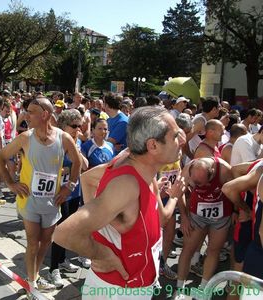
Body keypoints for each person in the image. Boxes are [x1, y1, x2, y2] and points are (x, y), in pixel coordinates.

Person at [54, 106, 186, 300]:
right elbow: (64, 233)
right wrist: (101, 254)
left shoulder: (138, 166)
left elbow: (88, 179)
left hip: (135, 286)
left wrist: (103, 226)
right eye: (175, 136)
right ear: (153, 146)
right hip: (119, 291)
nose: (182, 140)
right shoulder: (127, 185)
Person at [0, 97, 81, 297]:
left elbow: (77, 162)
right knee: (33, 242)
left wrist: (69, 187)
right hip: (29, 199)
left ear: (45, 115)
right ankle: (32, 283)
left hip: (52, 201)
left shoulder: (63, 138)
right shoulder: (25, 137)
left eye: (31, 112)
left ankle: (33, 276)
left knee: (45, 242)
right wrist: (10, 183)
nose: (26, 115)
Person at [175, 157, 239, 297]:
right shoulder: (188, 169)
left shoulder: (223, 169)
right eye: (195, 184)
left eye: (201, 183)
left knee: (213, 250)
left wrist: (235, 210)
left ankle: (203, 288)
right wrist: (184, 218)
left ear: (211, 174)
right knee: (187, 249)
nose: (198, 187)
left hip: (221, 215)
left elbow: (235, 189)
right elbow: (178, 193)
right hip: (197, 214)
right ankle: (179, 288)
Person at [48, 109, 89, 288]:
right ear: (63, 126)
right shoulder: (56, 142)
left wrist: (77, 151)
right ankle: (53, 269)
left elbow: (85, 166)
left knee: (69, 228)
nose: (77, 130)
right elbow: (49, 169)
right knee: (60, 229)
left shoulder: (76, 142)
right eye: (74, 126)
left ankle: (62, 259)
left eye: (80, 126)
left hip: (75, 191)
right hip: (60, 192)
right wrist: (66, 170)